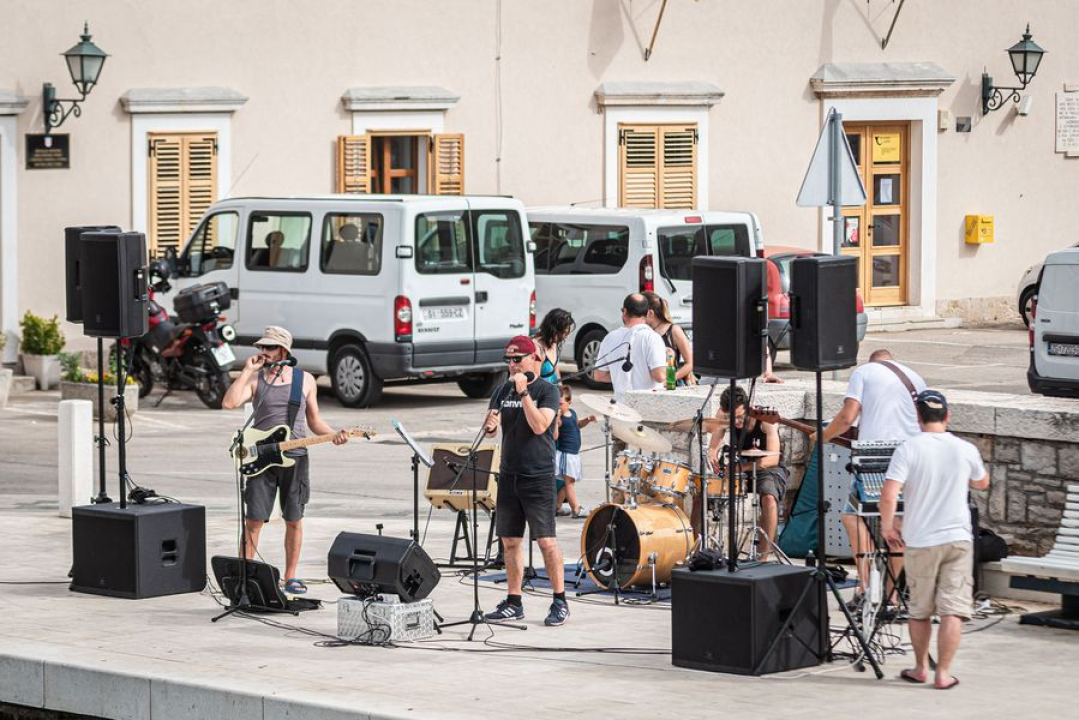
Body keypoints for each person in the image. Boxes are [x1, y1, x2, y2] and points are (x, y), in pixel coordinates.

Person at [221, 326, 349, 595]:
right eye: (261, 347)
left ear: (283, 351)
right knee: (254, 521)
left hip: (296, 457)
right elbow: (229, 403)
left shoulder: (306, 381)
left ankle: (291, 576)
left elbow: (314, 421)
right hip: (260, 460)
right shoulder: (257, 382)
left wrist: (333, 435)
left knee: (294, 519)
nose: (263, 352)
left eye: (269, 348)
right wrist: (246, 371)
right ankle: (246, 578)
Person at [881, 390, 989, 690]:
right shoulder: (964, 448)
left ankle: (920, 668)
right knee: (953, 608)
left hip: (921, 539)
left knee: (920, 609)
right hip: (957, 538)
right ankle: (944, 673)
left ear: (918, 417)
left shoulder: (908, 448)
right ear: (947, 415)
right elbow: (982, 482)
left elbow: (889, 493)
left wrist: (889, 527)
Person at [817, 348, 926, 604]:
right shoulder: (916, 378)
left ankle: (865, 586)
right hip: (911, 457)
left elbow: (847, 417)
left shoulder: (864, 372)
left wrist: (822, 436)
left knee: (852, 517)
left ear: (873, 362)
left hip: (875, 457)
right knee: (897, 524)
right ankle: (891, 596)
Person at [482, 336, 569, 626]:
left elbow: (539, 425)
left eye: (517, 359)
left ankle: (559, 600)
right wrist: (491, 425)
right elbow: (492, 425)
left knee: (545, 540)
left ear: (535, 359)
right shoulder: (502, 389)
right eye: (508, 359)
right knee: (509, 541)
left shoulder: (548, 392)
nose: (511, 364)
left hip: (538, 475)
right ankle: (513, 600)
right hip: (509, 474)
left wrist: (524, 395)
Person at [703, 386, 788, 558]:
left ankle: (763, 556)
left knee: (769, 497)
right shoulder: (723, 414)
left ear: (750, 408)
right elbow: (713, 446)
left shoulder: (765, 419)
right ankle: (698, 551)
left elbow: (773, 459)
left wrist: (743, 467)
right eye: (731, 418)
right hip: (738, 466)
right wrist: (712, 454)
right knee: (701, 494)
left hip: (767, 468)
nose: (736, 423)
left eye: (741, 417)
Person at [594, 293, 666, 402]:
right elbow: (660, 376)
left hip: (621, 408)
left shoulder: (609, 338)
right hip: (649, 407)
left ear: (625, 312)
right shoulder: (652, 338)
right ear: (648, 313)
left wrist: (620, 376)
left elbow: (599, 375)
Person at [553, 384, 596, 518]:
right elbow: (555, 435)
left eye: (561, 403)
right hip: (566, 454)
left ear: (569, 402)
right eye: (556, 404)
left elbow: (578, 424)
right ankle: (575, 509)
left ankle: (557, 507)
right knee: (569, 482)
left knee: (568, 484)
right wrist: (556, 420)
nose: (558, 406)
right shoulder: (558, 419)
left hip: (573, 454)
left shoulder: (573, 413)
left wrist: (587, 420)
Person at [642, 291, 694, 385]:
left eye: (641, 313)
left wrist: (670, 379)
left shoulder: (674, 330)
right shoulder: (645, 332)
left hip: (671, 386)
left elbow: (690, 363)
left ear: (650, 313)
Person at [535, 308, 574, 385]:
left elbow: (555, 369)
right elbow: (535, 383)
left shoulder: (553, 343)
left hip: (552, 393)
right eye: (564, 333)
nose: (565, 337)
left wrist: (561, 389)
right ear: (553, 329)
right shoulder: (536, 348)